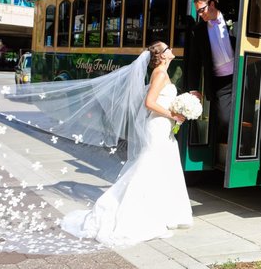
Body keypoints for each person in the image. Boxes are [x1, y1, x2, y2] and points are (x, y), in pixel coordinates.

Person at [60, 41, 193, 246]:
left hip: (161, 126)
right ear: (162, 56)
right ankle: (131, 211)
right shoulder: (160, 74)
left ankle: (161, 212)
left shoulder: (162, 73)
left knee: (160, 169)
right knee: (146, 168)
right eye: (168, 49)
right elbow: (149, 103)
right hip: (157, 126)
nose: (172, 50)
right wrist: (172, 115)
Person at [188, 0, 235, 143]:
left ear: (212, 4)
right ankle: (224, 150)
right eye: (198, 12)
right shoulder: (199, 30)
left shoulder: (233, 20)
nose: (200, 14)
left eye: (202, 10)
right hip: (220, 82)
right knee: (224, 119)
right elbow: (194, 62)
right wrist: (193, 88)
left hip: (240, 76)